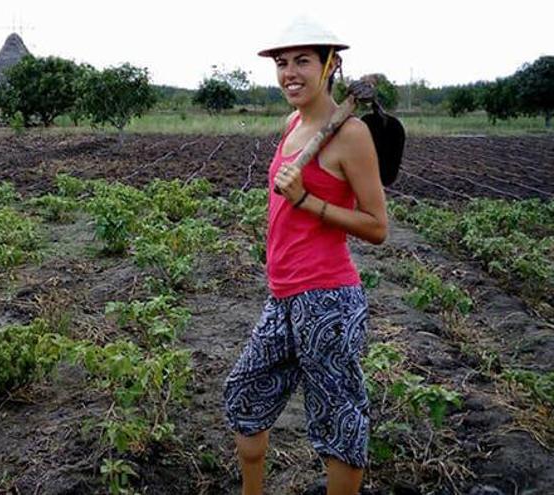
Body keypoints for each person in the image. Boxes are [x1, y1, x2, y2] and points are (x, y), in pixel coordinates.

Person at [223, 17, 388, 495]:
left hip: (328, 299)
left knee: (337, 418)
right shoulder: (292, 122)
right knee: (245, 396)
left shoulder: (351, 134)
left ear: (330, 65)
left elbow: (378, 226)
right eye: (282, 63)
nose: (289, 72)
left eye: (302, 61)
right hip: (282, 295)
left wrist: (309, 201)